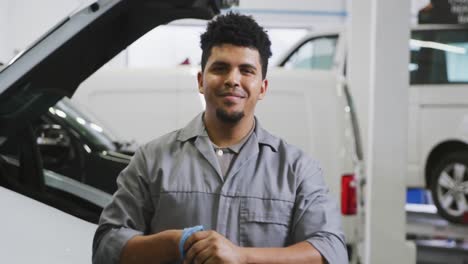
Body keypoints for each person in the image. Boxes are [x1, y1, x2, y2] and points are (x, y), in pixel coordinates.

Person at [92, 12, 348, 264]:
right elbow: (106, 246)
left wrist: (242, 257)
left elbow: (331, 251)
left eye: (246, 70)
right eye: (220, 68)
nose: (232, 80)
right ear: (201, 81)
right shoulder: (152, 160)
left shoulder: (297, 169)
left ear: (263, 88)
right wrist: (173, 244)